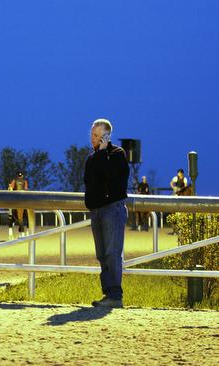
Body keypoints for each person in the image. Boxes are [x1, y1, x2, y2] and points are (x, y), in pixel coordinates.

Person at [84, 118, 129, 308]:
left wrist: (103, 153)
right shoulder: (92, 157)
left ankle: (115, 295)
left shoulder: (117, 154)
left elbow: (110, 175)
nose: (92, 138)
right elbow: (89, 181)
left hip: (112, 210)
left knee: (112, 253)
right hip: (97, 211)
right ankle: (108, 293)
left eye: (96, 135)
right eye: (92, 134)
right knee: (102, 254)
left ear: (106, 136)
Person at [8, 172, 29, 239]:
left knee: (12, 212)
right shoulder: (25, 181)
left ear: (17, 176)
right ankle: (27, 231)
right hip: (24, 200)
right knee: (26, 217)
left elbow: (10, 189)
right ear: (22, 176)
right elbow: (26, 189)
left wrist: (10, 188)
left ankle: (22, 234)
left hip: (16, 200)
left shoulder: (14, 180)